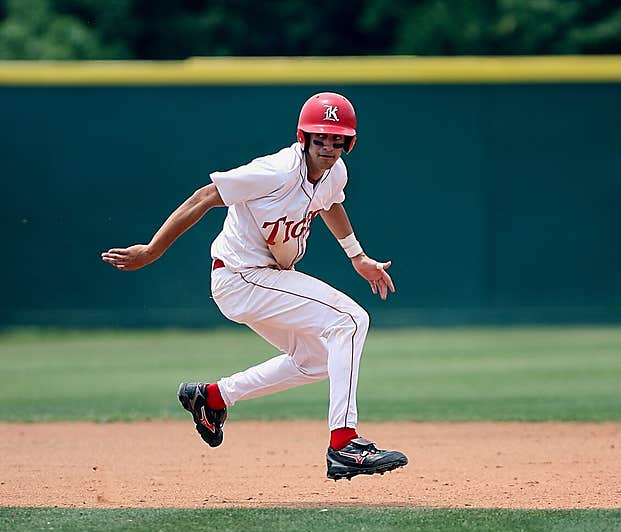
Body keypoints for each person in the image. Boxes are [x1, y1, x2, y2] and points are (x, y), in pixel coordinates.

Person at [101, 92, 408, 481]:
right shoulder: (276, 171)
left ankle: (212, 397)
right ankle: (343, 444)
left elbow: (330, 202)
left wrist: (356, 256)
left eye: (336, 138)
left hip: (263, 278)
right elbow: (205, 196)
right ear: (304, 137)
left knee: (316, 360)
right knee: (350, 320)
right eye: (320, 137)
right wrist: (152, 250)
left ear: (349, 142)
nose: (328, 145)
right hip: (241, 275)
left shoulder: (336, 173)